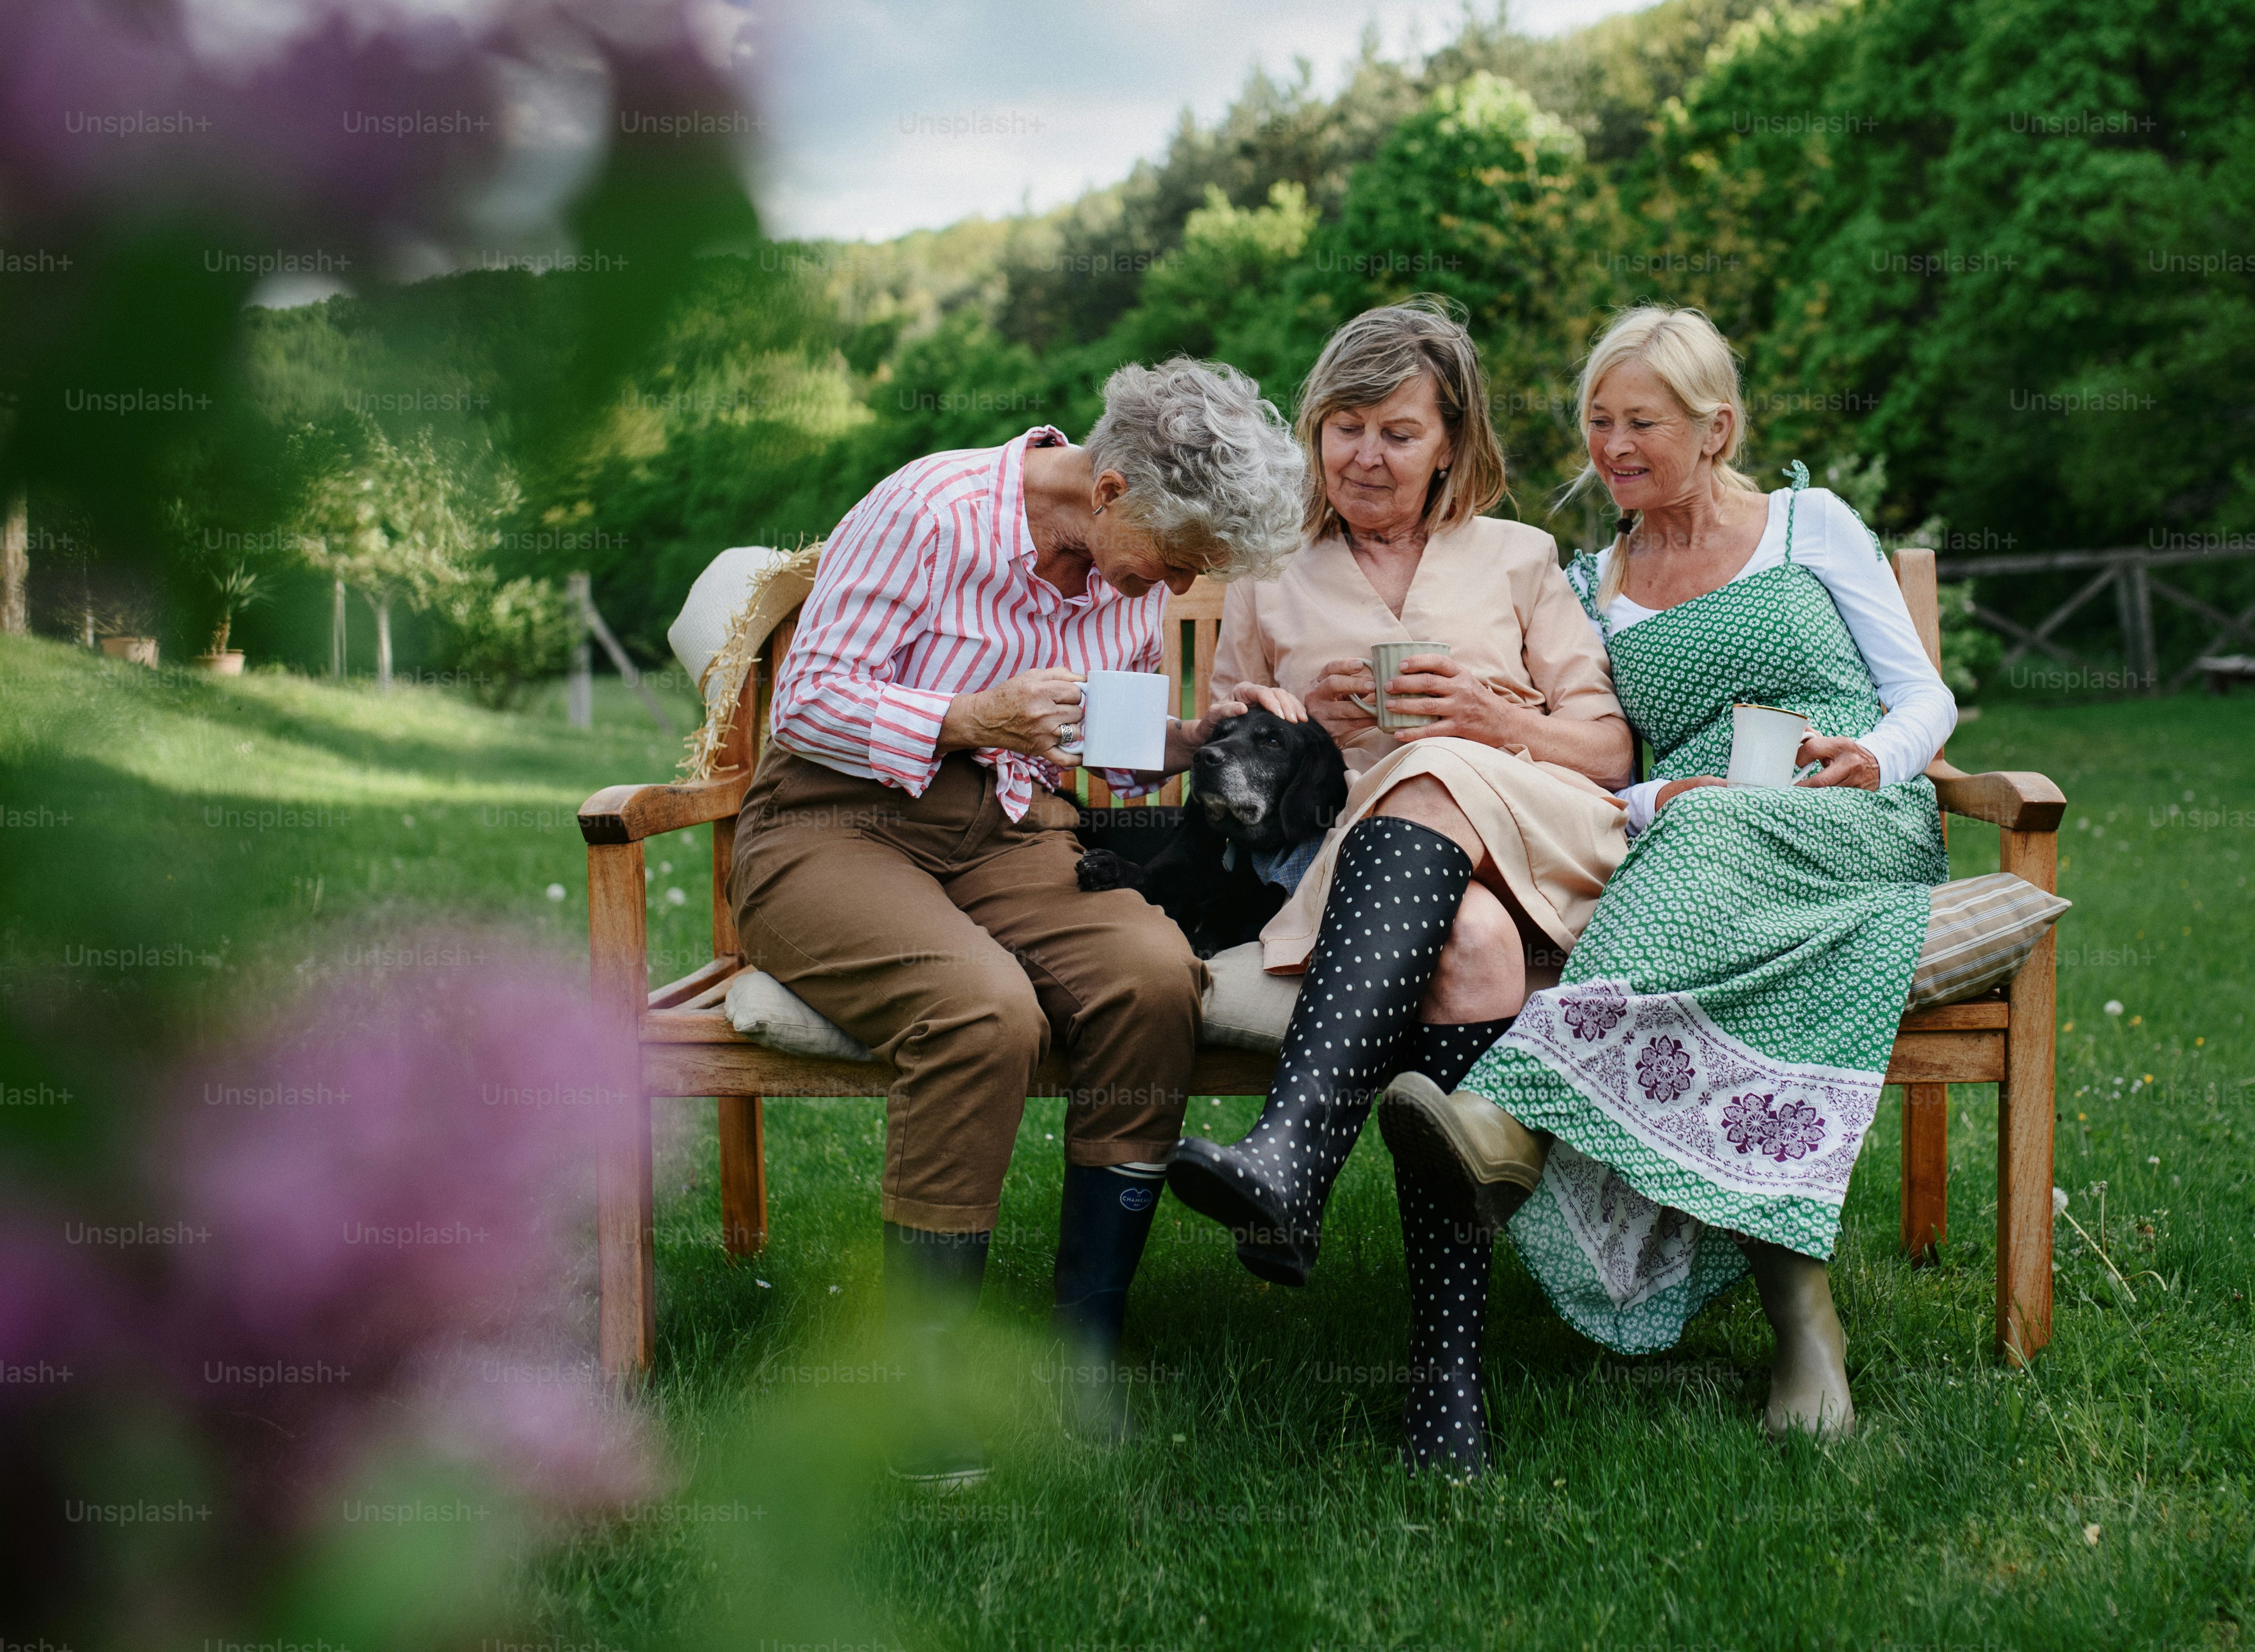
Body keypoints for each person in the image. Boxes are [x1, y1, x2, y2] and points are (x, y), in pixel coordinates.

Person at [1378, 304, 1958, 1463]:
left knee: (1698, 855)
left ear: (1715, 426)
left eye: (1641, 419)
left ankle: (1516, 1111)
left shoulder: (1809, 524)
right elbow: (1615, 768)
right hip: (1685, 839)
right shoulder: (1593, 583)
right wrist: (1656, 803)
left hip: (1848, 810)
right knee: (1694, 856)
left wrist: (1875, 759)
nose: (1612, 446)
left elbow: (1925, 697)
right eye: (1597, 421)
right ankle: (1805, 1321)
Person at [729, 360, 1304, 1481]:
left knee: (1152, 973)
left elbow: (1109, 754)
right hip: (829, 824)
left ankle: (1084, 1342)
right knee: (980, 1006)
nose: (1177, 582)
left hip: (1010, 831)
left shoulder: (1127, 575)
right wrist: (966, 714)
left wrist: (1195, 739)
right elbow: (807, 700)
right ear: (1114, 485)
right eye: (1178, 555)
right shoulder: (929, 511)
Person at [1166, 298, 1634, 1474]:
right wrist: (1277, 721)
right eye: (1343, 426)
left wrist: (1489, 718)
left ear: (1450, 441)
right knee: (1468, 947)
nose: (1364, 455)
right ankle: (1447, 1381)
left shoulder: (1521, 559)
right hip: (1360, 862)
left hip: (1525, 821)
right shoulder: (1273, 573)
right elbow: (1226, 759)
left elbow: (1607, 748)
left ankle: (1293, 1154)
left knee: (1432, 768)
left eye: (1396, 431)